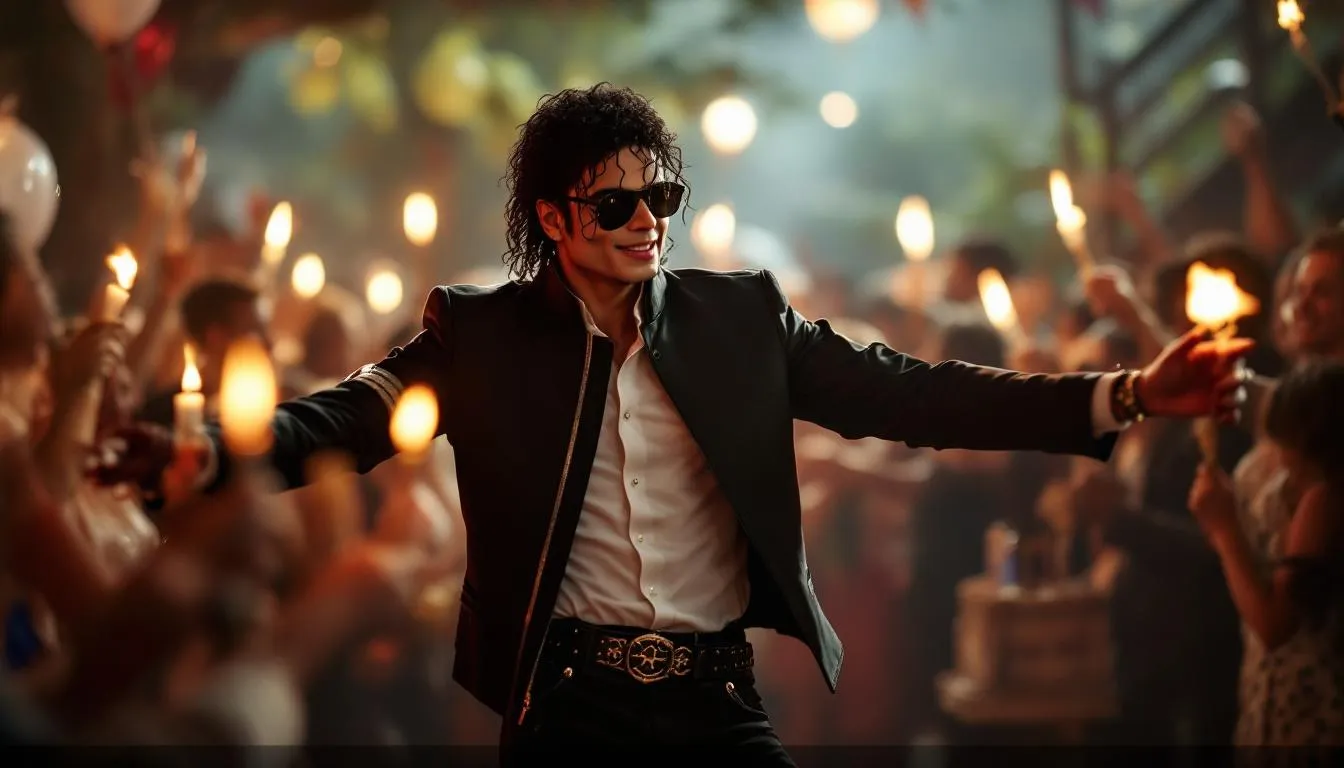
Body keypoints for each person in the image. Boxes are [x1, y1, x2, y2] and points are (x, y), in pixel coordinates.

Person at [98, 84, 1250, 763]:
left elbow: (918, 394)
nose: (648, 220)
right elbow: (357, 414)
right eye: (616, 202)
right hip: (570, 709)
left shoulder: (741, 318)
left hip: (717, 700)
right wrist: (216, 452)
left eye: (663, 196)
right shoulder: (481, 334)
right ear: (554, 217)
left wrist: (1130, 392)